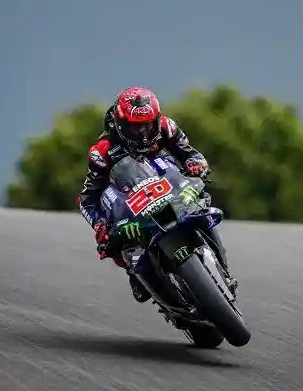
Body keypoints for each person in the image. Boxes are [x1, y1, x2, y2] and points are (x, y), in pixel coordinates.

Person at [77, 86, 238, 303]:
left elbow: (190, 153)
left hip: (168, 186)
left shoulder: (166, 127)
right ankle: (135, 272)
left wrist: (196, 164)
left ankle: (225, 273)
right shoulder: (102, 151)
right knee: (111, 232)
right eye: (135, 127)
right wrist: (99, 225)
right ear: (121, 124)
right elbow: (87, 199)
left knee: (203, 209)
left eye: (148, 125)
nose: (143, 133)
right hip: (130, 199)